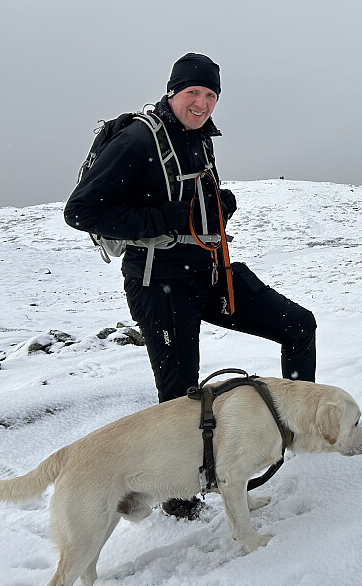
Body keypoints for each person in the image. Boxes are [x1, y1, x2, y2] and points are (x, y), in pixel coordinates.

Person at [64, 53, 316, 519]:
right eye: (192, 93)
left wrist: (215, 207)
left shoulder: (198, 137)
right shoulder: (139, 140)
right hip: (158, 282)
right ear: (172, 92)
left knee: (299, 325)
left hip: (210, 273)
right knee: (181, 398)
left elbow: (184, 201)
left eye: (210, 95)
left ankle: (300, 431)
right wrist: (158, 219)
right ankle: (180, 502)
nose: (201, 103)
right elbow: (80, 211)